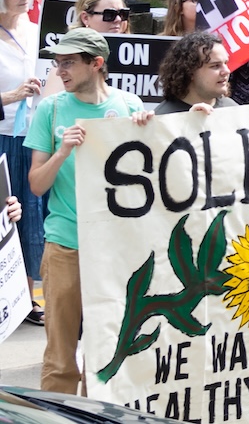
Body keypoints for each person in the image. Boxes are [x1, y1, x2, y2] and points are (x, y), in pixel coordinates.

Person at [26, 27, 148, 394]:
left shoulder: (129, 106)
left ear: (96, 64)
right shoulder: (51, 109)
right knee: (61, 356)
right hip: (66, 244)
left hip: (115, 249)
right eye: (57, 63)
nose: (59, 71)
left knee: (108, 352)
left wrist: (145, 131)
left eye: (68, 63)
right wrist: (63, 151)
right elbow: (36, 184)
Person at [0, 0, 44, 327]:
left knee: (31, 216)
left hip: (34, 134)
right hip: (3, 136)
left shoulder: (37, 32)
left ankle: (29, 297)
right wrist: (13, 94)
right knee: (5, 217)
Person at [156, 31, 236, 114]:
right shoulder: (163, 119)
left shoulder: (234, 110)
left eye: (226, 63)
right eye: (215, 66)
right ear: (190, 71)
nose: (226, 71)